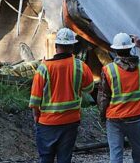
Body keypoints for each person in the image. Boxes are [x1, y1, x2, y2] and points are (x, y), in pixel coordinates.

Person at [29, 28, 94, 163]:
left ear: (56, 46)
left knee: (46, 158)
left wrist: (36, 116)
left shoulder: (44, 68)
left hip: (47, 122)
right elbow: (89, 88)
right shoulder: (80, 66)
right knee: (65, 158)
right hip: (70, 121)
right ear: (72, 47)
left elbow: (35, 99)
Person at [98, 33, 140, 163]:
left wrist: (102, 117)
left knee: (116, 155)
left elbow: (103, 97)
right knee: (139, 153)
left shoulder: (108, 70)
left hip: (114, 119)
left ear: (115, 49)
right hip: (136, 118)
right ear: (131, 48)